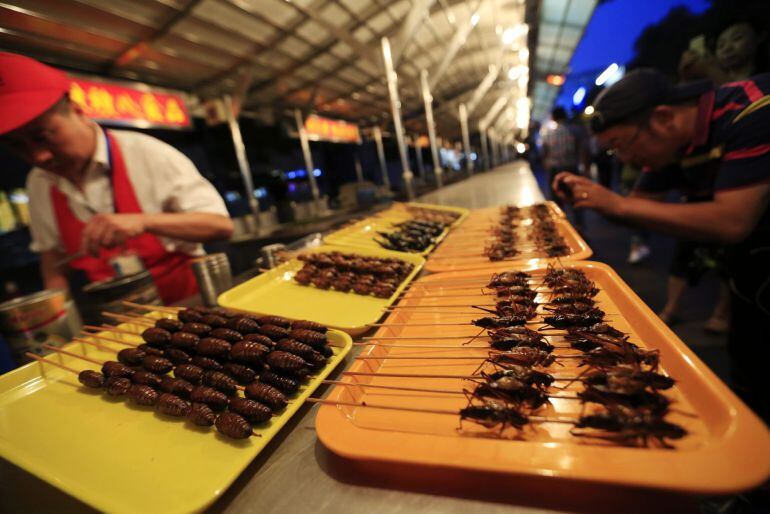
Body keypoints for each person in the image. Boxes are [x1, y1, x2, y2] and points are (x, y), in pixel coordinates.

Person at [552, 68, 770, 423]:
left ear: (663, 118)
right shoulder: (671, 142)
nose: (623, 160)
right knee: (749, 370)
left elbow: (732, 221)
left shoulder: (754, 112)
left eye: (621, 145)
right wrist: (592, 198)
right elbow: (640, 208)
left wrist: (618, 204)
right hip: (748, 270)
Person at [0, 52, 233, 304]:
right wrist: (58, 318)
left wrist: (144, 221)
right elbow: (53, 262)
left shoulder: (146, 152)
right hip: (118, 317)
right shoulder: (39, 183)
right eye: (17, 146)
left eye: (42, 136)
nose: (38, 156)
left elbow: (220, 226)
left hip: (189, 302)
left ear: (77, 111)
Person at [541, 107, 584, 229]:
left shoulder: (548, 133)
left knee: (556, 199)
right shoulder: (574, 130)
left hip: (554, 170)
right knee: (575, 197)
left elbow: (544, 152)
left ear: (553, 117)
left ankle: (560, 226)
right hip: (571, 169)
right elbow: (582, 150)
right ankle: (578, 225)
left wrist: (546, 164)